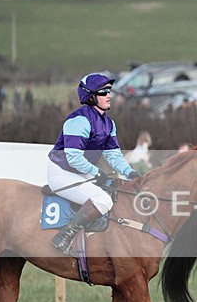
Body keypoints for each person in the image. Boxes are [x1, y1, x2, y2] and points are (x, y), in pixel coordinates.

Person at [47, 73, 142, 256]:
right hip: (62, 173)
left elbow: (113, 154)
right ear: (90, 96)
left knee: (117, 191)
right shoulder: (79, 120)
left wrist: (129, 172)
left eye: (109, 91)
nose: (109, 96)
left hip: (81, 173)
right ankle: (64, 236)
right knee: (103, 200)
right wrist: (96, 172)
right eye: (103, 92)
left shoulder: (108, 123)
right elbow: (73, 157)